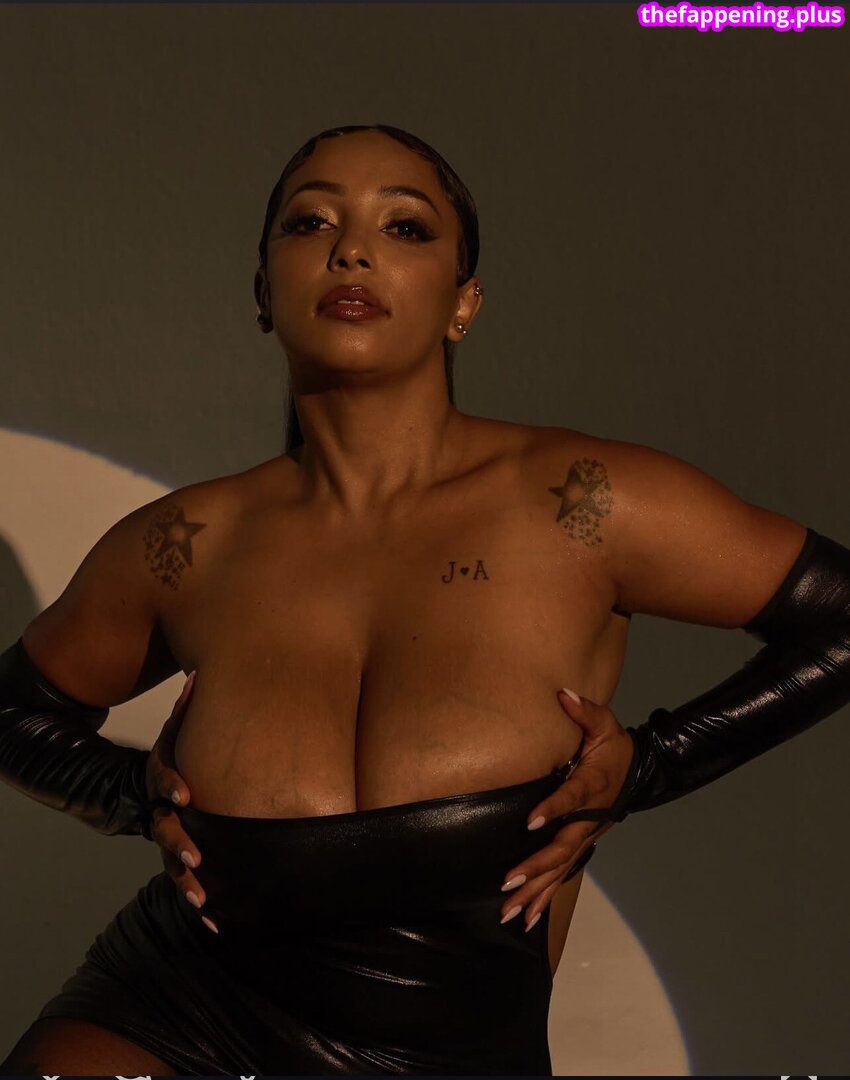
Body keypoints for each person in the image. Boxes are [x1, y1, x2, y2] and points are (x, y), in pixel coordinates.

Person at [1, 123, 848, 1076]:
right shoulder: (185, 545)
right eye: (311, 221)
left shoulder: (579, 503)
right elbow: (12, 709)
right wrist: (126, 793)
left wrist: (652, 765)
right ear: (263, 293)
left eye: (404, 227)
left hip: (442, 1049)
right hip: (172, 1012)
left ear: (463, 303)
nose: (352, 250)